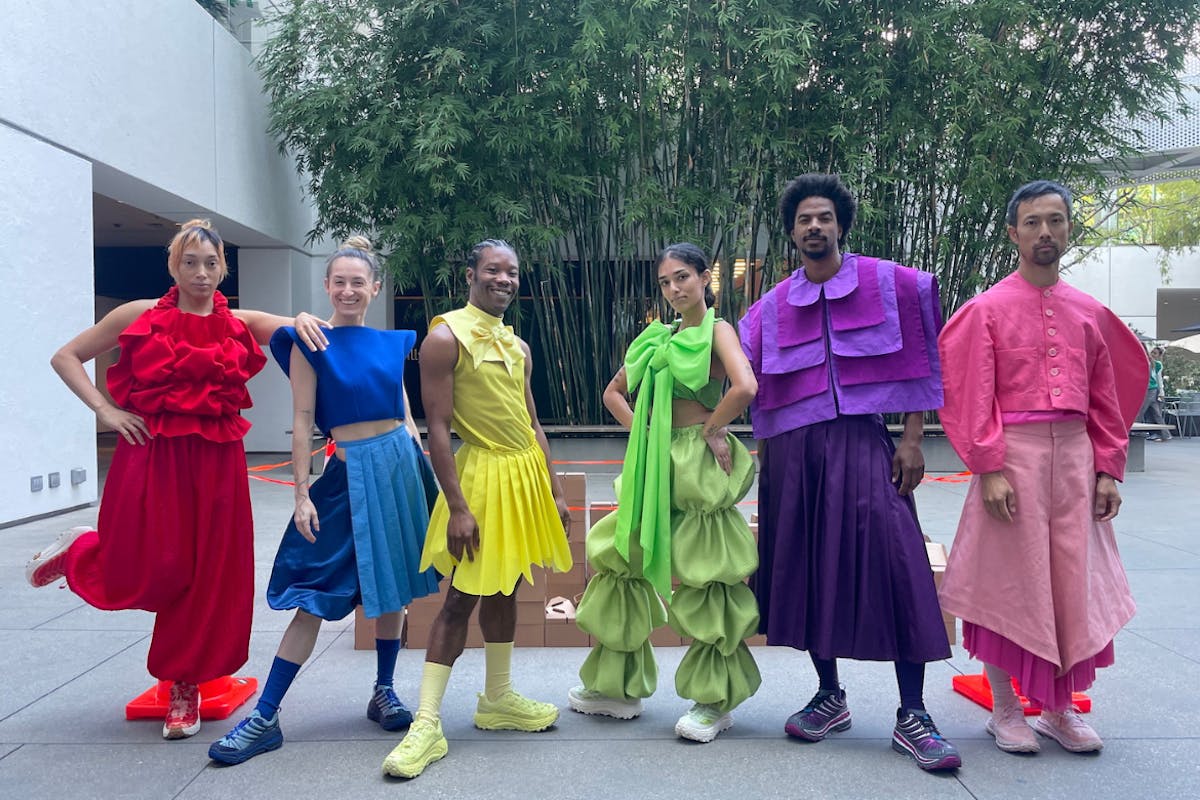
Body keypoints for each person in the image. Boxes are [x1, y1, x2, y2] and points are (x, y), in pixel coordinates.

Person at [26, 219, 328, 739]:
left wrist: (302, 314)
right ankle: (83, 550)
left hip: (217, 462)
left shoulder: (238, 321)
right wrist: (105, 410)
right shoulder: (139, 314)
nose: (201, 273)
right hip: (153, 453)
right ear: (173, 266)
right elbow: (66, 356)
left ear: (222, 268)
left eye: (211, 264)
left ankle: (184, 687)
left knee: (207, 573)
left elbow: (294, 324)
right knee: (148, 563)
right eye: (190, 263)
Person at [739, 174, 960, 771]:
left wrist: (913, 438)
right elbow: (737, 382)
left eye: (825, 218)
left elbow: (921, 357)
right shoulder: (766, 311)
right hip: (792, 453)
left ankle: (912, 712)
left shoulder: (891, 284)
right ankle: (828, 696)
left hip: (865, 444)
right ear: (791, 232)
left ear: (841, 226)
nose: (815, 227)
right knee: (810, 564)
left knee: (898, 563)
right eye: (805, 219)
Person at [208, 237, 440, 764]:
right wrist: (301, 492)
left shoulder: (389, 342)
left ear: (375, 288)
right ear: (327, 286)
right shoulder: (308, 340)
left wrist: (421, 469)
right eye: (340, 281)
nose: (350, 289)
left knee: (394, 588)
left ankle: (384, 691)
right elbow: (300, 420)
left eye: (359, 281)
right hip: (344, 472)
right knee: (310, 590)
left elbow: (404, 416)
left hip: (400, 468)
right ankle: (265, 716)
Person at [938, 180, 1147, 755]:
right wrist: (989, 467)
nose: (1045, 233)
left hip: (1077, 460)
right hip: (1015, 460)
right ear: (1013, 233)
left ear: (1069, 229)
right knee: (1008, 586)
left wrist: (1109, 468)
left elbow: (1105, 398)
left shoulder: (1088, 313)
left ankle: (1058, 710)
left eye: (1055, 221)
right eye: (1032, 223)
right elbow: (968, 393)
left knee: (1068, 588)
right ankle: (1005, 709)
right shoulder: (985, 309)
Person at [381, 239, 572, 779]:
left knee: (507, 584)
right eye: (494, 270)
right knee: (461, 597)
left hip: (522, 478)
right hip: (480, 480)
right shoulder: (445, 337)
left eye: (512, 272)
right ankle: (427, 722)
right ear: (471, 275)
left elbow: (533, 424)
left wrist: (554, 490)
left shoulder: (518, 345)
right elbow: (437, 430)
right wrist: (457, 506)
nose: (504, 280)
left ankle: (498, 698)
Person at [566, 243, 761, 742]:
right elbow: (612, 392)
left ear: (704, 278)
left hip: (696, 461)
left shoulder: (717, 330)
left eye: (683, 278)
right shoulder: (657, 337)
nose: (674, 289)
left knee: (706, 576)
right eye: (665, 282)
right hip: (652, 461)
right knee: (621, 559)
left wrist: (715, 430)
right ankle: (617, 689)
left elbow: (745, 386)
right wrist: (643, 436)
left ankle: (714, 701)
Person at [1137, 346, 1171, 441]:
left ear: (1159, 356)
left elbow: (1159, 379)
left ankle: (1134, 431)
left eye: (1155, 353)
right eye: (1152, 352)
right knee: (1154, 412)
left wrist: (1161, 391)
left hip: (1151, 389)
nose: (1152, 354)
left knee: (1141, 410)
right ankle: (1161, 434)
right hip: (1148, 389)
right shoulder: (1145, 361)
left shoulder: (1157, 364)